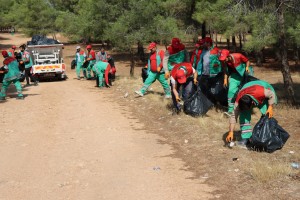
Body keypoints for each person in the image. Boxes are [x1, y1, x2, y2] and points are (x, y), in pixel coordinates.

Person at [226, 80, 277, 148]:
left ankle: (268, 135)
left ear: (252, 104)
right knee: (243, 115)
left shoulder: (260, 92)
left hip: (265, 90)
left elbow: (271, 94)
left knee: (267, 114)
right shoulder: (238, 101)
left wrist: (270, 107)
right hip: (247, 90)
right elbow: (233, 116)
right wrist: (231, 132)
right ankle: (246, 138)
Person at [219, 49, 251, 114]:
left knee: (245, 91)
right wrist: (225, 80)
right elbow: (225, 71)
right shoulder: (224, 62)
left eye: (224, 59)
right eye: (222, 59)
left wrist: (247, 68)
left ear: (228, 56)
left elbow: (247, 61)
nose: (223, 60)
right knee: (231, 90)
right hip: (235, 75)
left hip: (244, 74)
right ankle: (230, 110)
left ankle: (245, 108)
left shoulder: (238, 56)